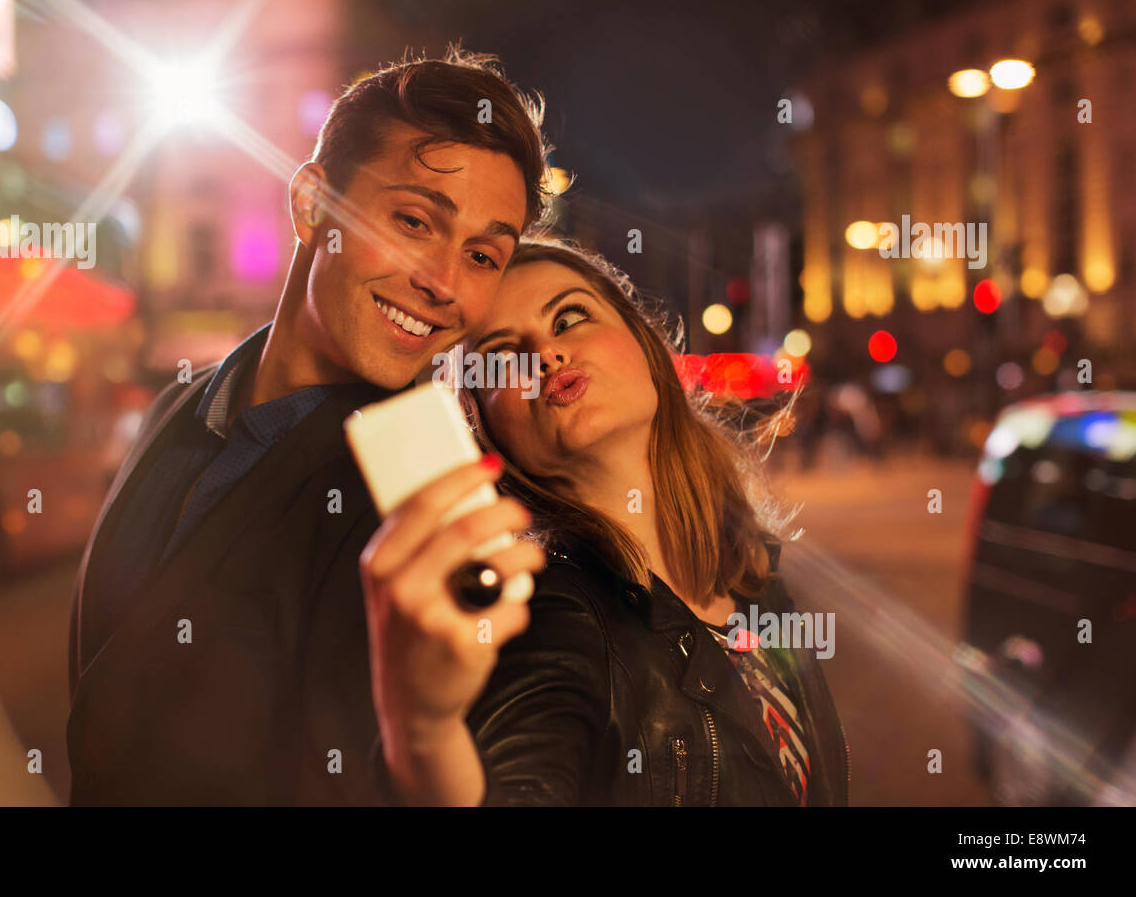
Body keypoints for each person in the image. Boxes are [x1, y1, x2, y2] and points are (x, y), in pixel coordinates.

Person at [66, 46, 551, 805]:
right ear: (311, 204)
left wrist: (427, 726)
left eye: (484, 255)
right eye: (415, 220)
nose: (444, 283)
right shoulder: (177, 410)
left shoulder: (426, 494)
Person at [362, 235, 850, 806]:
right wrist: (425, 733)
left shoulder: (753, 571)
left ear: (643, 345)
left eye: (569, 318)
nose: (544, 356)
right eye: (502, 358)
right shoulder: (551, 619)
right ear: (486, 427)